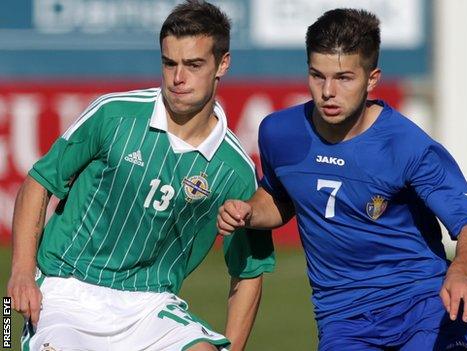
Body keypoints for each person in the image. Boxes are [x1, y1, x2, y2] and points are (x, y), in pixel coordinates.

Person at [217, 8, 467, 351]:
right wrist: (249, 212)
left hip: (424, 309)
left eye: (344, 77)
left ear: (372, 79)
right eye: (318, 76)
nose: (328, 91)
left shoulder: (407, 146)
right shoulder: (279, 133)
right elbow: (279, 199)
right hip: (342, 321)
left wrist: (461, 272)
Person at [7, 1, 275, 350]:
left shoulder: (234, 169)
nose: (178, 78)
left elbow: (249, 270)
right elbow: (39, 183)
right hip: (67, 290)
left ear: (222, 64)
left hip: (150, 306)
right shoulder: (114, 115)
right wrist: (22, 274)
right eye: (169, 63)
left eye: (193, 65)